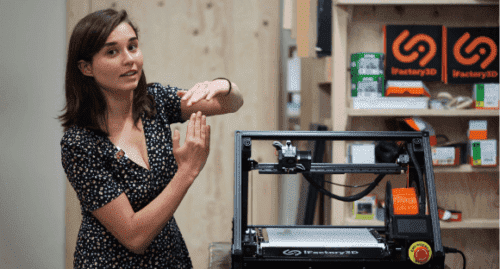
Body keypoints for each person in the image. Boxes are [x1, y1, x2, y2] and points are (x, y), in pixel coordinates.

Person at [59, 8, 243, 268]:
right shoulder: (79, 144)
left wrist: (222, 85)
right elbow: (134, 236)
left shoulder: (155, 102)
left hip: (170, 258)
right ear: (86, 67)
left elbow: (231, 103)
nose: (129, 59)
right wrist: (188, 171)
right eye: (112, 51)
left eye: (133, 47)